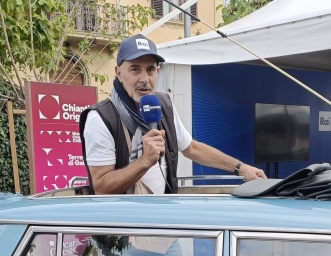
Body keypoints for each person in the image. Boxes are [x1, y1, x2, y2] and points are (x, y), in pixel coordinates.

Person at [79, 34, 266, 196]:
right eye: (135, 69)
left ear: (158, 72)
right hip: (121, 231)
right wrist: (145, 161)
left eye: (150, 70)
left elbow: (191, 148)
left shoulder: (163, 105)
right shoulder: (101, 118)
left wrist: (241, 168)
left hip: (164, 226)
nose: (144, 79)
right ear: (119, 73)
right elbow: (101, 187)